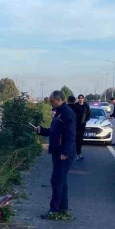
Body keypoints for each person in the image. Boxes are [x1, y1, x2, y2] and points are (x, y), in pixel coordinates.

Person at [32, 90, 76, 219]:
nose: (50, 103)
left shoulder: (67, 113)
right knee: (62, 180)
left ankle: (54, 210)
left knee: (57, 180)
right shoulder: (59, 113)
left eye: (51, 101)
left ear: (58, 99)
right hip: (58, 151)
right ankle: (63, 208)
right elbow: (54, 131)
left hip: (63, 153)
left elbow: (70, 134)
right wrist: (41, 130)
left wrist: (65, 152)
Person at [69, 94, 90, 160]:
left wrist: (85, 120)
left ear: (83, 99)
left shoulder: (86, 105)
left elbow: (89, 114)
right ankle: (75, 153)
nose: (80, 99)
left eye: (81, 98)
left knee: (80, 140)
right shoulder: (76, 106)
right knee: (74, 139)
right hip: (75, 125)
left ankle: (78, 153)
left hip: (82, 125)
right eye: (79, 98)